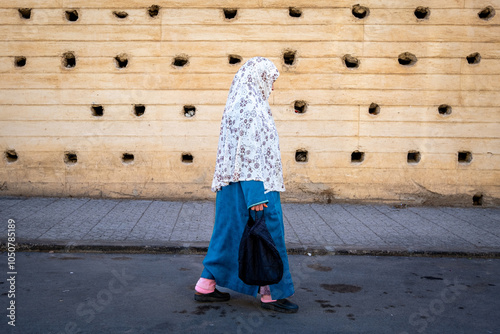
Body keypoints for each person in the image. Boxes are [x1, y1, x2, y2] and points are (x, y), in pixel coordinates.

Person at [193, 57, 298, 313]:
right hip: (255, 188)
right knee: (267, 236)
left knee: (228, 237)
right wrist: (255, 196)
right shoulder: (253, 108)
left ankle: (206, 285)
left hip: (231, 188)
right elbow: (250, 152)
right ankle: (271, 292)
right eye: (269, 80)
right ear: (256, 79)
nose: (271, 87)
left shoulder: (236, 105)